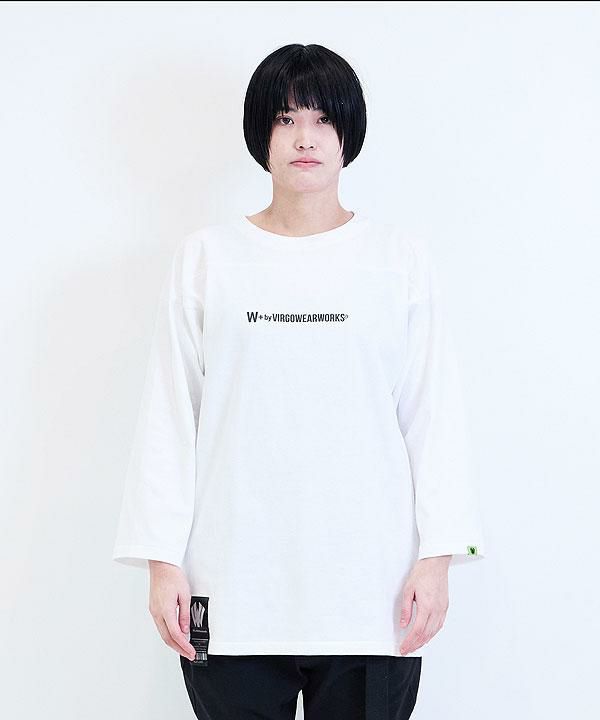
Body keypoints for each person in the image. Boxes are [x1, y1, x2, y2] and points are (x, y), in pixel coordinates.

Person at [112, 43, 486, 720]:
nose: (305, 138)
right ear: (262, 133)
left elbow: (434, 414)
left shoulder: (399, 260)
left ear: (348, 134)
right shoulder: (207, 259)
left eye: (322, 119)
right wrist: (162, 561)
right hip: (232, 590)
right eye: (286, 119)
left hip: (372, 597)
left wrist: (438, 556)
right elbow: (170, 415)